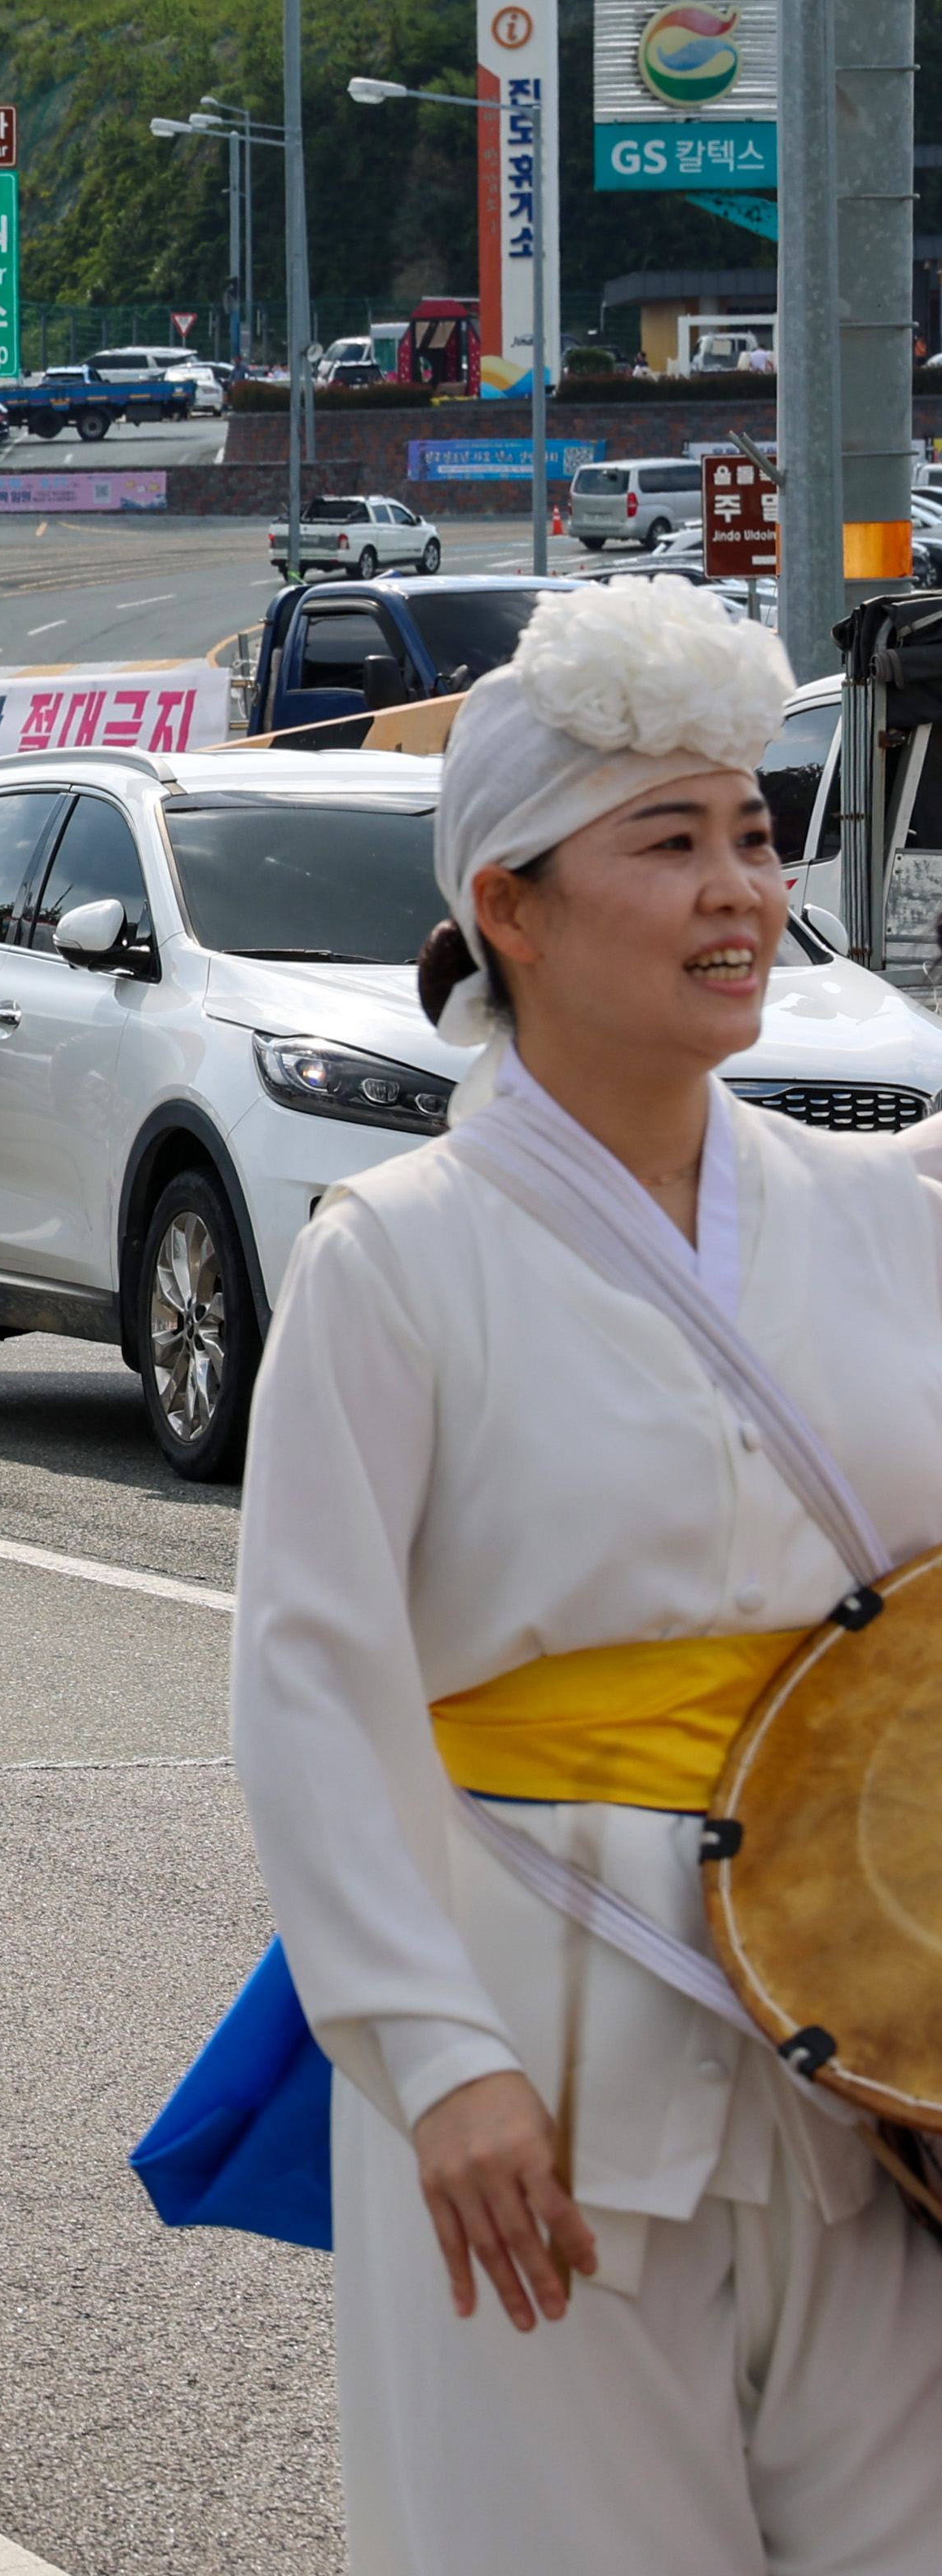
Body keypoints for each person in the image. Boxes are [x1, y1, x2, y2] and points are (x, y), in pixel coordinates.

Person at [230, 580, 942, 2570]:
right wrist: (433, 2056)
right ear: (511, 905)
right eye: (668, 838)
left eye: (752, 834)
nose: (740, 889)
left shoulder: (887, 1214)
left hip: (872, 2028)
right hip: (545, 2036)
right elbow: (309, 1687)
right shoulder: (397, 1252)